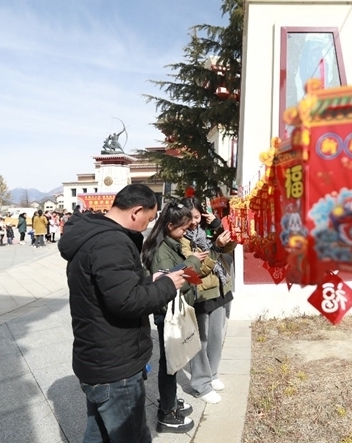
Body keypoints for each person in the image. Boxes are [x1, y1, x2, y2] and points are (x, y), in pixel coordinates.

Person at [59, 184, 187, 443]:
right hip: (115, 365)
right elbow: (127, 301)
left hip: (98, 357)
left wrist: (150, 280)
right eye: (149, 219)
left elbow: (115, 288)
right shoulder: (111, 242)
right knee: (132, 436)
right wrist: (167, 285)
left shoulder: (95, 234)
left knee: (98, 434)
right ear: (136, 211)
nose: (148, 225)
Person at [140, 201, 207, 433]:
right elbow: (172, 286)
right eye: (184, 228)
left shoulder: (169, 244)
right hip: (167, 314)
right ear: (170, 226)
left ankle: (169, 400)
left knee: (173, 362)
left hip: (170, 312)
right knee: (170, 364)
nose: (187, 232)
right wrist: (193, 262)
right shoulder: (162, 252)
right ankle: (167, 413)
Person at [180, 197, 236, 403]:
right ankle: (200, 384)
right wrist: (216, 248)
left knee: (215, 337)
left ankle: (212, 374)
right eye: (189, 218)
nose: (194, 222)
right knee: (199, 342)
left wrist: (218, 226)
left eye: (197, 217)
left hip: (219, 289)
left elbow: (230, 246)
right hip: (200, 293)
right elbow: (196, 270)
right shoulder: (182, 239)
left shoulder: (207, 230)